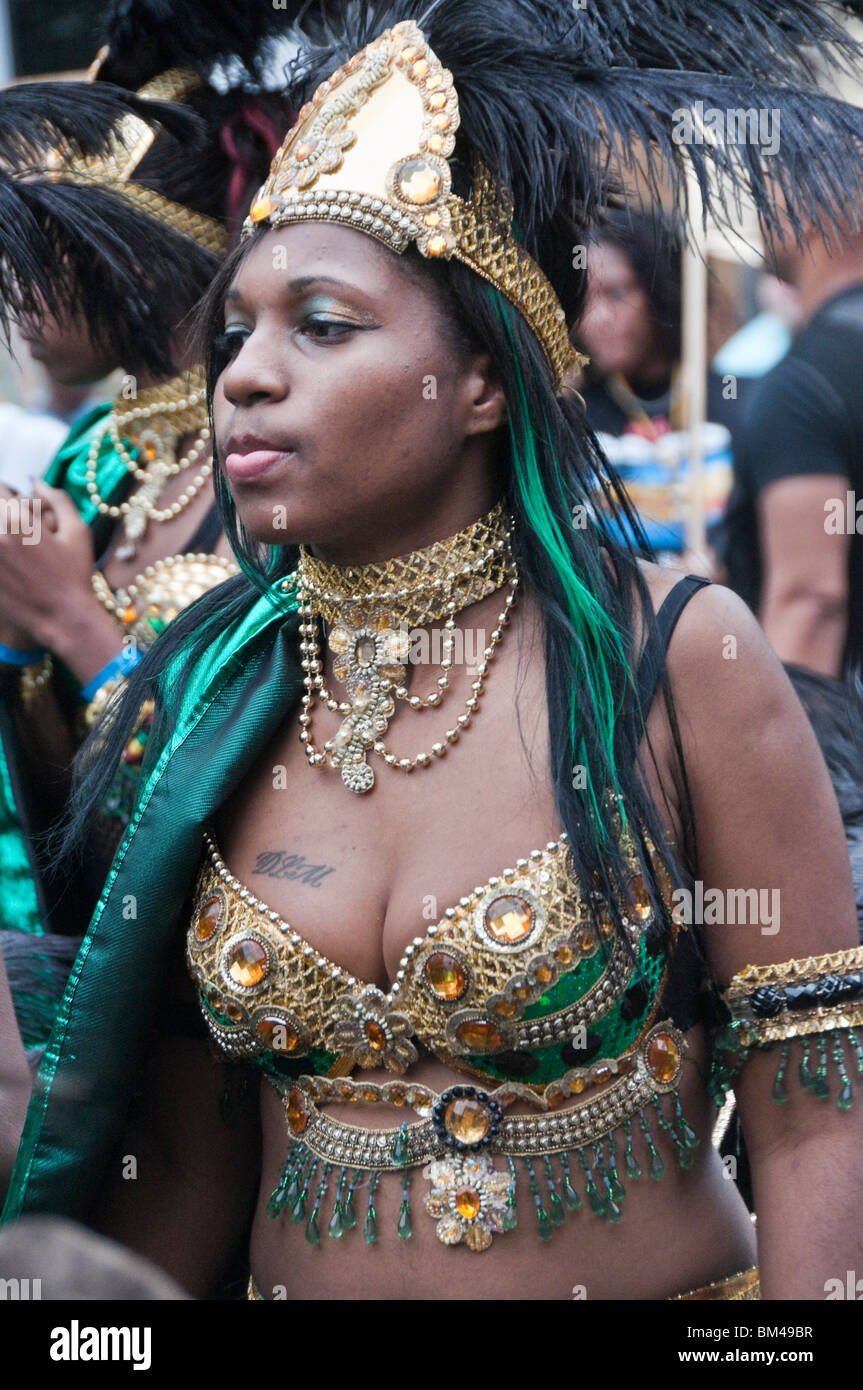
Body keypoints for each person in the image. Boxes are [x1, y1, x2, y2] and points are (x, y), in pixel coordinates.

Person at [5, 0, 863, 1303]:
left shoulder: (677, 656)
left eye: (324, 324)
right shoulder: (206, 689)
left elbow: (813, 1113)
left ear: (480, 375)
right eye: (238, 328)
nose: (244, 373)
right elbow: (182, 1164)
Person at [0, 3, 290, 1060]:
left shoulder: (279, 456)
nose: (18, 292)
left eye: (50, 249)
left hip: (243, 994)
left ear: (146, 255)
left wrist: (74, 621)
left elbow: (266, 779)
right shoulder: (94, 458)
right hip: (94, 976)